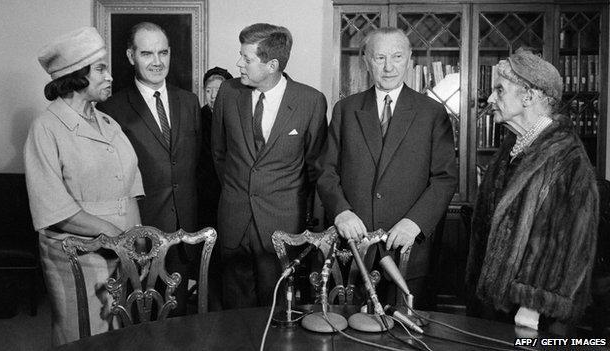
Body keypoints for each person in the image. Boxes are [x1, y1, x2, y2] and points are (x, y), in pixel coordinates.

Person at [316, 27, 458, 308]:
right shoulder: (345, 110)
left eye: (397, 56)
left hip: (407, 248)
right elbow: (326, 171)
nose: (389, 66)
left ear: (410, 59)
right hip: (354, 251)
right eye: (380, 57)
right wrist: (341, 211)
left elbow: (444, 178)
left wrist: (415, 222)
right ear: (366, 60)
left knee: (406, 335)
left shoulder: (432, 112)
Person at [25, 27, 144, 345]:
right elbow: (55, 211)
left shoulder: (109, 123)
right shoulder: (47, 129)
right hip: (75, 257)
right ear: (77, 76)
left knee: (120, 336)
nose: (110, 76)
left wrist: (138, 239)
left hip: (121, 254)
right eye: (101, 68)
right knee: (84, 337)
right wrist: (117, 234)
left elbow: (130, 187)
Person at [465, 48, 598, 332]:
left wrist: (531, 306)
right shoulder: (512, 147)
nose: (490, 99)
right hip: (494, 305)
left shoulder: (567, 158)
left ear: (528, 95)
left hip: (531, 316)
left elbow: (565, 242)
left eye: (499, 90)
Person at [211, 23, 328, 309]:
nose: (239, 63)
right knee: (233, 315)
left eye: (247, 59)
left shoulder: (310, 101)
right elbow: (219, 153)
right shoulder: (228, 93)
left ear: (272, 64)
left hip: (282, 228)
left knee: (278, 313)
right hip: (234, 222)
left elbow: (316, 167)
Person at [96, 22, 201, 316]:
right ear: (131, 56)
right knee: (143, 322)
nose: (157, 62)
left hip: (184, 234)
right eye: (146, 53)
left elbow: (197, 168)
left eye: (163, 52)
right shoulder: (111, 110)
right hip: (140, 234)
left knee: (181, 320)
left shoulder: (189, 102)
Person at [198, 67, 233, 230]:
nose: (212, 96)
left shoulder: (235, 118)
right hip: (203, 191)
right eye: (208, 91)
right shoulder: (197, 117)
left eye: (218, 91)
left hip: (229, 188)